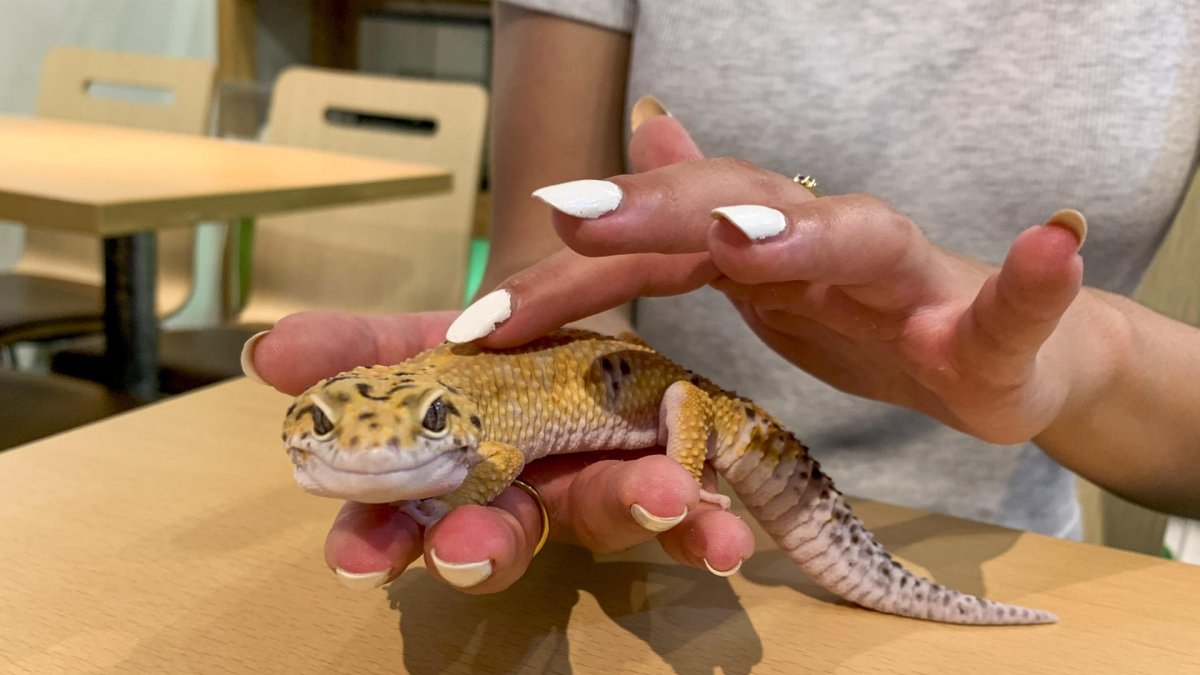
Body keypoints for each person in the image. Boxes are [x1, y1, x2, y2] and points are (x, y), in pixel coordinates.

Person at [243, 2, 1200, 593]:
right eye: (329, 428)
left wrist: (1084, 366)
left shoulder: (481, 446)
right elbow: (543, 255)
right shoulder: (461, 422)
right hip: (660, 575)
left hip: (1049, 559)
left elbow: (496, 459)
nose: (373, 453)